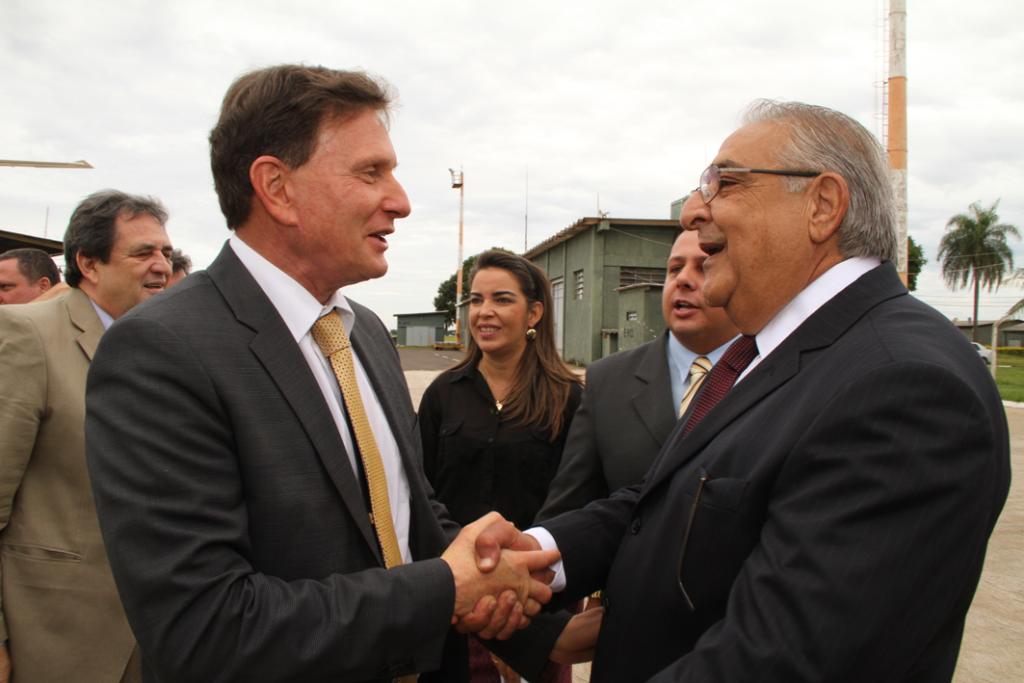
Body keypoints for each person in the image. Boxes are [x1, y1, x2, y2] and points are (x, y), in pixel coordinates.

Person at [477, 100, 1011, 682]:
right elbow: (667, 501)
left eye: (724, 183)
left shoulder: (904, 387)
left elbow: (781, 659)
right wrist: (536, 554)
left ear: (822, 205)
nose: (693, 212)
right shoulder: (763, 352)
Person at [84, 64, 568, 683]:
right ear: (277, 188)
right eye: (371, 172)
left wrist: (505, 588)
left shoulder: (363, 333)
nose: (401, 200)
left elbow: (405, 515)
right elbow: (205, 630)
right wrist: (447, 588)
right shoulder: (161, 351)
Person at [0, 189, 173, 683]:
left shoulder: (166, 345)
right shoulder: (26, 335)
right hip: (58, 639)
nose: (162, 266)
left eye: (165, 251)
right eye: (143, 253)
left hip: (159, 636)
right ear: (88, 264)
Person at [419, 250, 583, 682]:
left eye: (501, 299)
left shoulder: (567, 398)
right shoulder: (443, 394)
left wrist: (528, 601)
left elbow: (578, 499)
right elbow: (421, 491)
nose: (484, 312)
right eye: (476, 300)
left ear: (534, 313)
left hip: (538, 594)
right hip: (457, 591)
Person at [537, 229, 738, 519]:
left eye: (703, 267)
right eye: (675, 268)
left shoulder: (772, 375)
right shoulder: (607, 381)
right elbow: (567, 510)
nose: (682, 279)